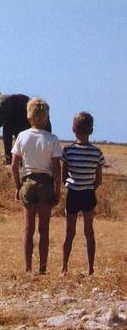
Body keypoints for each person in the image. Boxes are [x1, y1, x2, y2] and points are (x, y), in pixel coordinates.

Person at [11, 98, 61, 274]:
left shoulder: (22, 136)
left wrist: (18, 187)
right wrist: (58, 190)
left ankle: (27, 267)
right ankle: (43, 268)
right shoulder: (52, 139)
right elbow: (56, 168)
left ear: (29, 117)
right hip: (46, 183)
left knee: (28, 228)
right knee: (44, 229)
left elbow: (14, 165)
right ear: (46, 118)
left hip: (28, 182)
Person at [61, 111, 105, 275]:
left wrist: (70, 184)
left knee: (69, 232)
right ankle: (90, 268)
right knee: (89, 232)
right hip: (88, 194)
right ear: (91, 131)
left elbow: (64, 175)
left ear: (73, 129)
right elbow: (98, 178)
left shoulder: (68, 151)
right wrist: (90, 187)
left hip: (72, 193)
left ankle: (64, 267)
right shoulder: (97, 152)